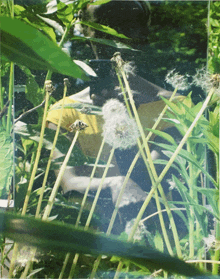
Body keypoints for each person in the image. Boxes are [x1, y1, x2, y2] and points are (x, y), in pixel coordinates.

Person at [46, 0, 185, 234]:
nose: (115, 36)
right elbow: (68, 182)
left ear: (143, 33)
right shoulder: (63, 112)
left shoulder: (175, 107)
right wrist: (114, 183)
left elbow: (152, 181)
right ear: (86, 32)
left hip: (160, 237)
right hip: (89, 243)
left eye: (128, 24)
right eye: (104, 25)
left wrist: (124, 116)